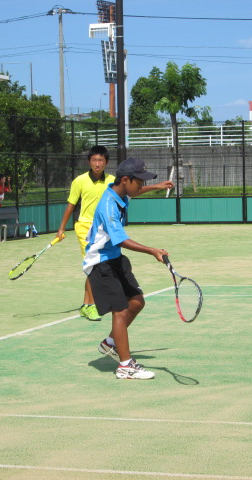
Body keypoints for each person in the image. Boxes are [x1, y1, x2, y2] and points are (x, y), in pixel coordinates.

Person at [56, 146, 173, 321]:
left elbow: (133, 190)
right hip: (87, 229)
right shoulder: (80, 181)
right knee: (94, 265)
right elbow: (71, 205)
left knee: (121, 290)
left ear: (106, 162)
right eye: (94, 160)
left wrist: (156, 186)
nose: (97, 163)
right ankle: (89, 304)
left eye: (100, 160)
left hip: (109, 235)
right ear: (89, 162)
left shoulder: (114, 181)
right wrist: (62, 227)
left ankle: (92, 307)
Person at [84, 157, 168, 380]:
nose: (141, 185)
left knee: (137, 301)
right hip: (100, 262)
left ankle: (110, 342)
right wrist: (152, 250)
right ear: (125, 180)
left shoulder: (121, 193)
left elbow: (135, 192)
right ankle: (125, 366)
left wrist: (156, 186)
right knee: (120, 311)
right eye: (139, 181)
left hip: (115, 258)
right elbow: (120, 239)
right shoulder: (108, 205)